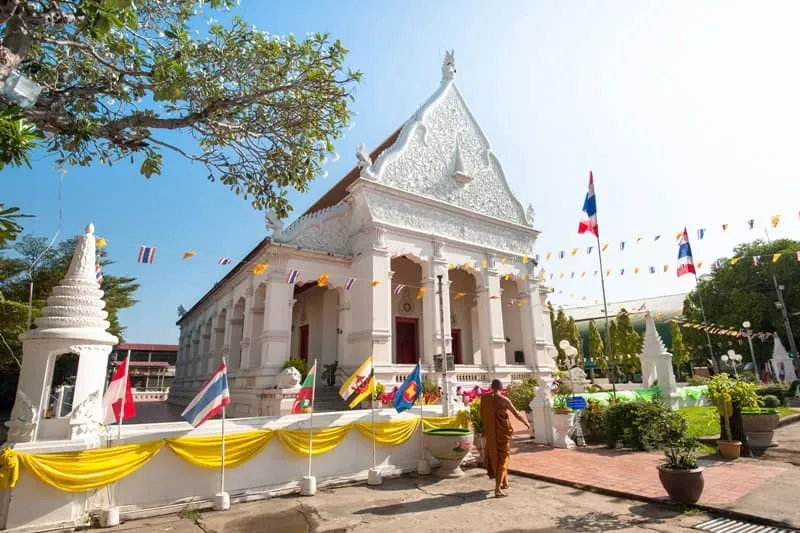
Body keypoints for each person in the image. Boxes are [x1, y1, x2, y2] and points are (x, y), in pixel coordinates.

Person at [480, 379, 530, 497]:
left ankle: (505, 482)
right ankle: (497, 489)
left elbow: (482, 414)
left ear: (492, 387)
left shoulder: (485, 399)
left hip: (492, 433)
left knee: (498, 456)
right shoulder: (504, 400)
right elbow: (516, 414)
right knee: (503, 458)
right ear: (501, 387)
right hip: (502, 433)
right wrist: (526, 423)